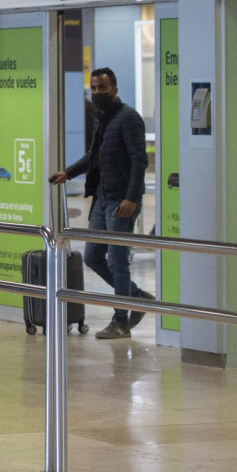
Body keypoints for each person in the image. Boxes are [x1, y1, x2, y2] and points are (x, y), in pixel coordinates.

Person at [49, 67, 154, 339]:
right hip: (102, 198)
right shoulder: (101, 119)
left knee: (118, 261)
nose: (97, 93)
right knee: (93, 255)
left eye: (102, 89)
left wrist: (131, 197)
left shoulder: (129, 118)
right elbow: (93, 156)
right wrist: (68, 172)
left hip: (121, 201)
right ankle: (136, 296)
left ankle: (121, 320)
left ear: (114, 90)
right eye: (93, 89)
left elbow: (138, 160)